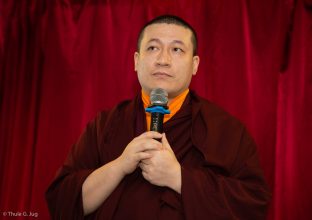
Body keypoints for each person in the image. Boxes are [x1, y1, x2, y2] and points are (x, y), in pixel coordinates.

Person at [46, 15, 271, 219]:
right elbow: (62, 201)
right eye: (153, 48)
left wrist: (179, 178)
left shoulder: (226, 131)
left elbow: (253, 204)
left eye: (176, 50)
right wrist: (120, 166)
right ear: (136, 60)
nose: (163, 59)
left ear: (195, 65)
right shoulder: (105, 125)